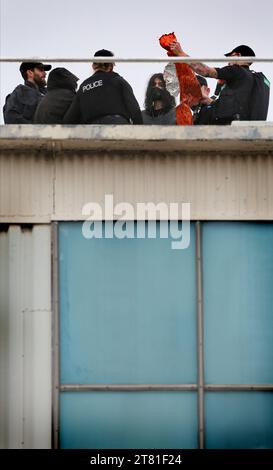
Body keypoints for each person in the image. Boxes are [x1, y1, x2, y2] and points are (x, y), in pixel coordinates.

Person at [169, 42, 268, 124]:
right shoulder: (253, 79)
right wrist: (209, 101)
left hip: (228, 126)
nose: (228, 62)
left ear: (238, 55)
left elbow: (205, 71)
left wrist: (181, 54)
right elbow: (235, 105)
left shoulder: (236, 70)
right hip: (245, 126)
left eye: (230, 58)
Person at [64, 49, 142, 124]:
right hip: (118, 128)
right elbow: (134, 109)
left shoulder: (83, 86)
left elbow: (69, 119)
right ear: (111, 66)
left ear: (93, 66)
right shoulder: (118, 80)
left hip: (91, 131)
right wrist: (140, 132)